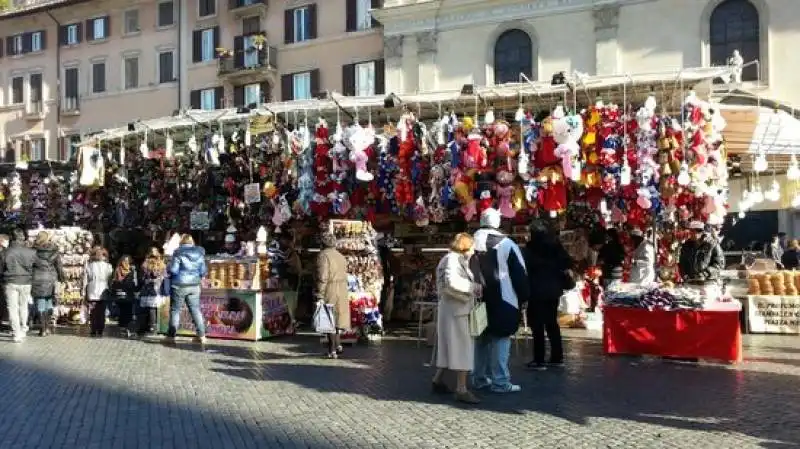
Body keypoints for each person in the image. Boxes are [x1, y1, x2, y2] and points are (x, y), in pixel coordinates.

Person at [471, 208, 529, 393]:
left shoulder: (469, 242)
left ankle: (479, 378)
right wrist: (524, 297)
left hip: (475, 300)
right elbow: (520, 274)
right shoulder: (507, 244)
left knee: (480, 340)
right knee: (501, 340)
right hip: (504, 300)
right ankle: (500, 381)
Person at [432, 233, 481, 404]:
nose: (474, 250)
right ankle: (461, 388)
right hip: (457, 310)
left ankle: (438, 380)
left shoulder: (451, 259)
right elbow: (451, 282)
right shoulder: (453, 259)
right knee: (462, 348)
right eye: (472, 246)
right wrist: (472, 287)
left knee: (448, 347)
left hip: (451, 309)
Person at [524, 224, 572, 370]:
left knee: (537, 325)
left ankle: (539, 360)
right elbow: (567, 263)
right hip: (553, 291)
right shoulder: (556, 247)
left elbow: (525, 267)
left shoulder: (530, 249)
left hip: (536, 291)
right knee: (552, 324)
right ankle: (557, 357)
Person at [166, 234, 208, 344]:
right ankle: (202, 336)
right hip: (194, 285)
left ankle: (171, 336)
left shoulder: (178, 252)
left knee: (175, 310)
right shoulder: (200, 253)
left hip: (179, 285)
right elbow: (203, 271)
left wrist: (168, 267)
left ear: (181, 242)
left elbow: (174, 270)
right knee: (195, 310)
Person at [315, 232, 350, 359]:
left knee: (328, 319)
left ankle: (332, 350)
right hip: (341, 289)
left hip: (330, 288)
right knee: (337, 319)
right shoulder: (340, 256)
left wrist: (320, 294)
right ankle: (338, 346)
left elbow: (323, 277)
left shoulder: (323, 256)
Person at [0, 229, 37, 342]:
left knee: (12, 308)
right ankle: (23, 328)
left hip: (10, 281)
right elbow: (35, 267)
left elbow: (1, 268)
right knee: (23, 306)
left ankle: (16, 333)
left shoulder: (5, 252)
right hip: (26, 281)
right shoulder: (31, 252)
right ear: (23, 238)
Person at [678, 221, 725, 299]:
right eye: (691, 231)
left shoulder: (712, 244)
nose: (693, 233)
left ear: (702, 232)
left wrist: (705, 274)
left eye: (696, 231)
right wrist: (684, 275)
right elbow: (682, 262)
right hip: (690, 284)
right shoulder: (686, 245)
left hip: (707, 284)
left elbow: (719, 264)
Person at [31, 232, 65, 337]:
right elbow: (59, 266)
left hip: (37, 278)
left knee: (40, 303)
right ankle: (47, 327)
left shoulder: (33, 251)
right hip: (51, 279)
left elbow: (30, 266)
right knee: (49, 302)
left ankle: (43, 329)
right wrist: (62, 278)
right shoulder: (54, 251)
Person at [83, 246, 114, 337]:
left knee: (93, 311)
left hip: (92, 289)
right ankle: (100, 329)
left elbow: (86, 279)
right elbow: (110, 279)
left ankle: (93, 329)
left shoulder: (90, 266)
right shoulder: (108, 266)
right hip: (103, 289)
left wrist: (84, 292)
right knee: (101, 311)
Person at [138, 247, 167, 336]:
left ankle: (145, 327)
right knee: (152, 309)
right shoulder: (161, 264)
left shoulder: (146, 264)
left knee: (146, 309)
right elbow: (164, 276)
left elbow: (142, 277)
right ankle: (152, 328)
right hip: (156, 289)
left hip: (148, 289)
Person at [111, 255, 139, 338]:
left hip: (126, 294)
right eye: (124, 261)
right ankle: (124, 328)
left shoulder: (131, 270)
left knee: (126, 312)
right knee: (124, 312)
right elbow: (115, 281)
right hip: (123, 294)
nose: (126, 263)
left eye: (127, 261)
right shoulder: (119, 270)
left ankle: (124, 328)